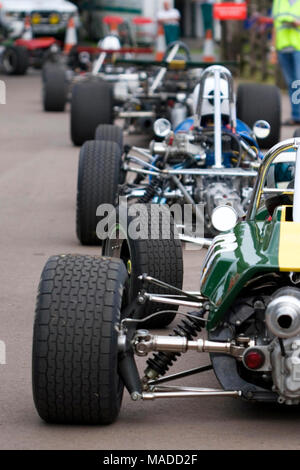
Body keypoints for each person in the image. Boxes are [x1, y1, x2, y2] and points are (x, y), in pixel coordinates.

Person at [272, 0, 300, 125]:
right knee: (292, 83)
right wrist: (273, 49)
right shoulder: (278, 2)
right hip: (283, 48)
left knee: (298, 81)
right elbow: (275, 27)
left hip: (298, 48)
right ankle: (296, 116)